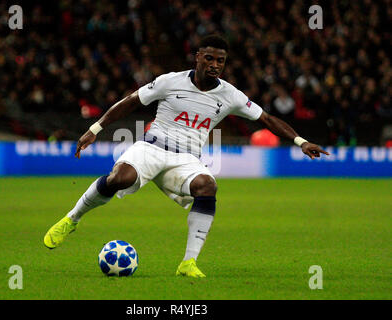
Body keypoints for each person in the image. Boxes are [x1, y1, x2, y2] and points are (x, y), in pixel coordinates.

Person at [43, 35, 329, 278]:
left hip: (187, 159)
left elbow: (266, 118)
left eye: (220, 61)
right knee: (120, 177)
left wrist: (300, 141)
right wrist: (95, 128)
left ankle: (188, 262)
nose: (215, 65)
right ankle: (71, 219)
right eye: (209, 59)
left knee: (208, 186)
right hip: (151, 147)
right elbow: (130, 102)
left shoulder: (230, 94)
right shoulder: (170, 81)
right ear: (197, 57)